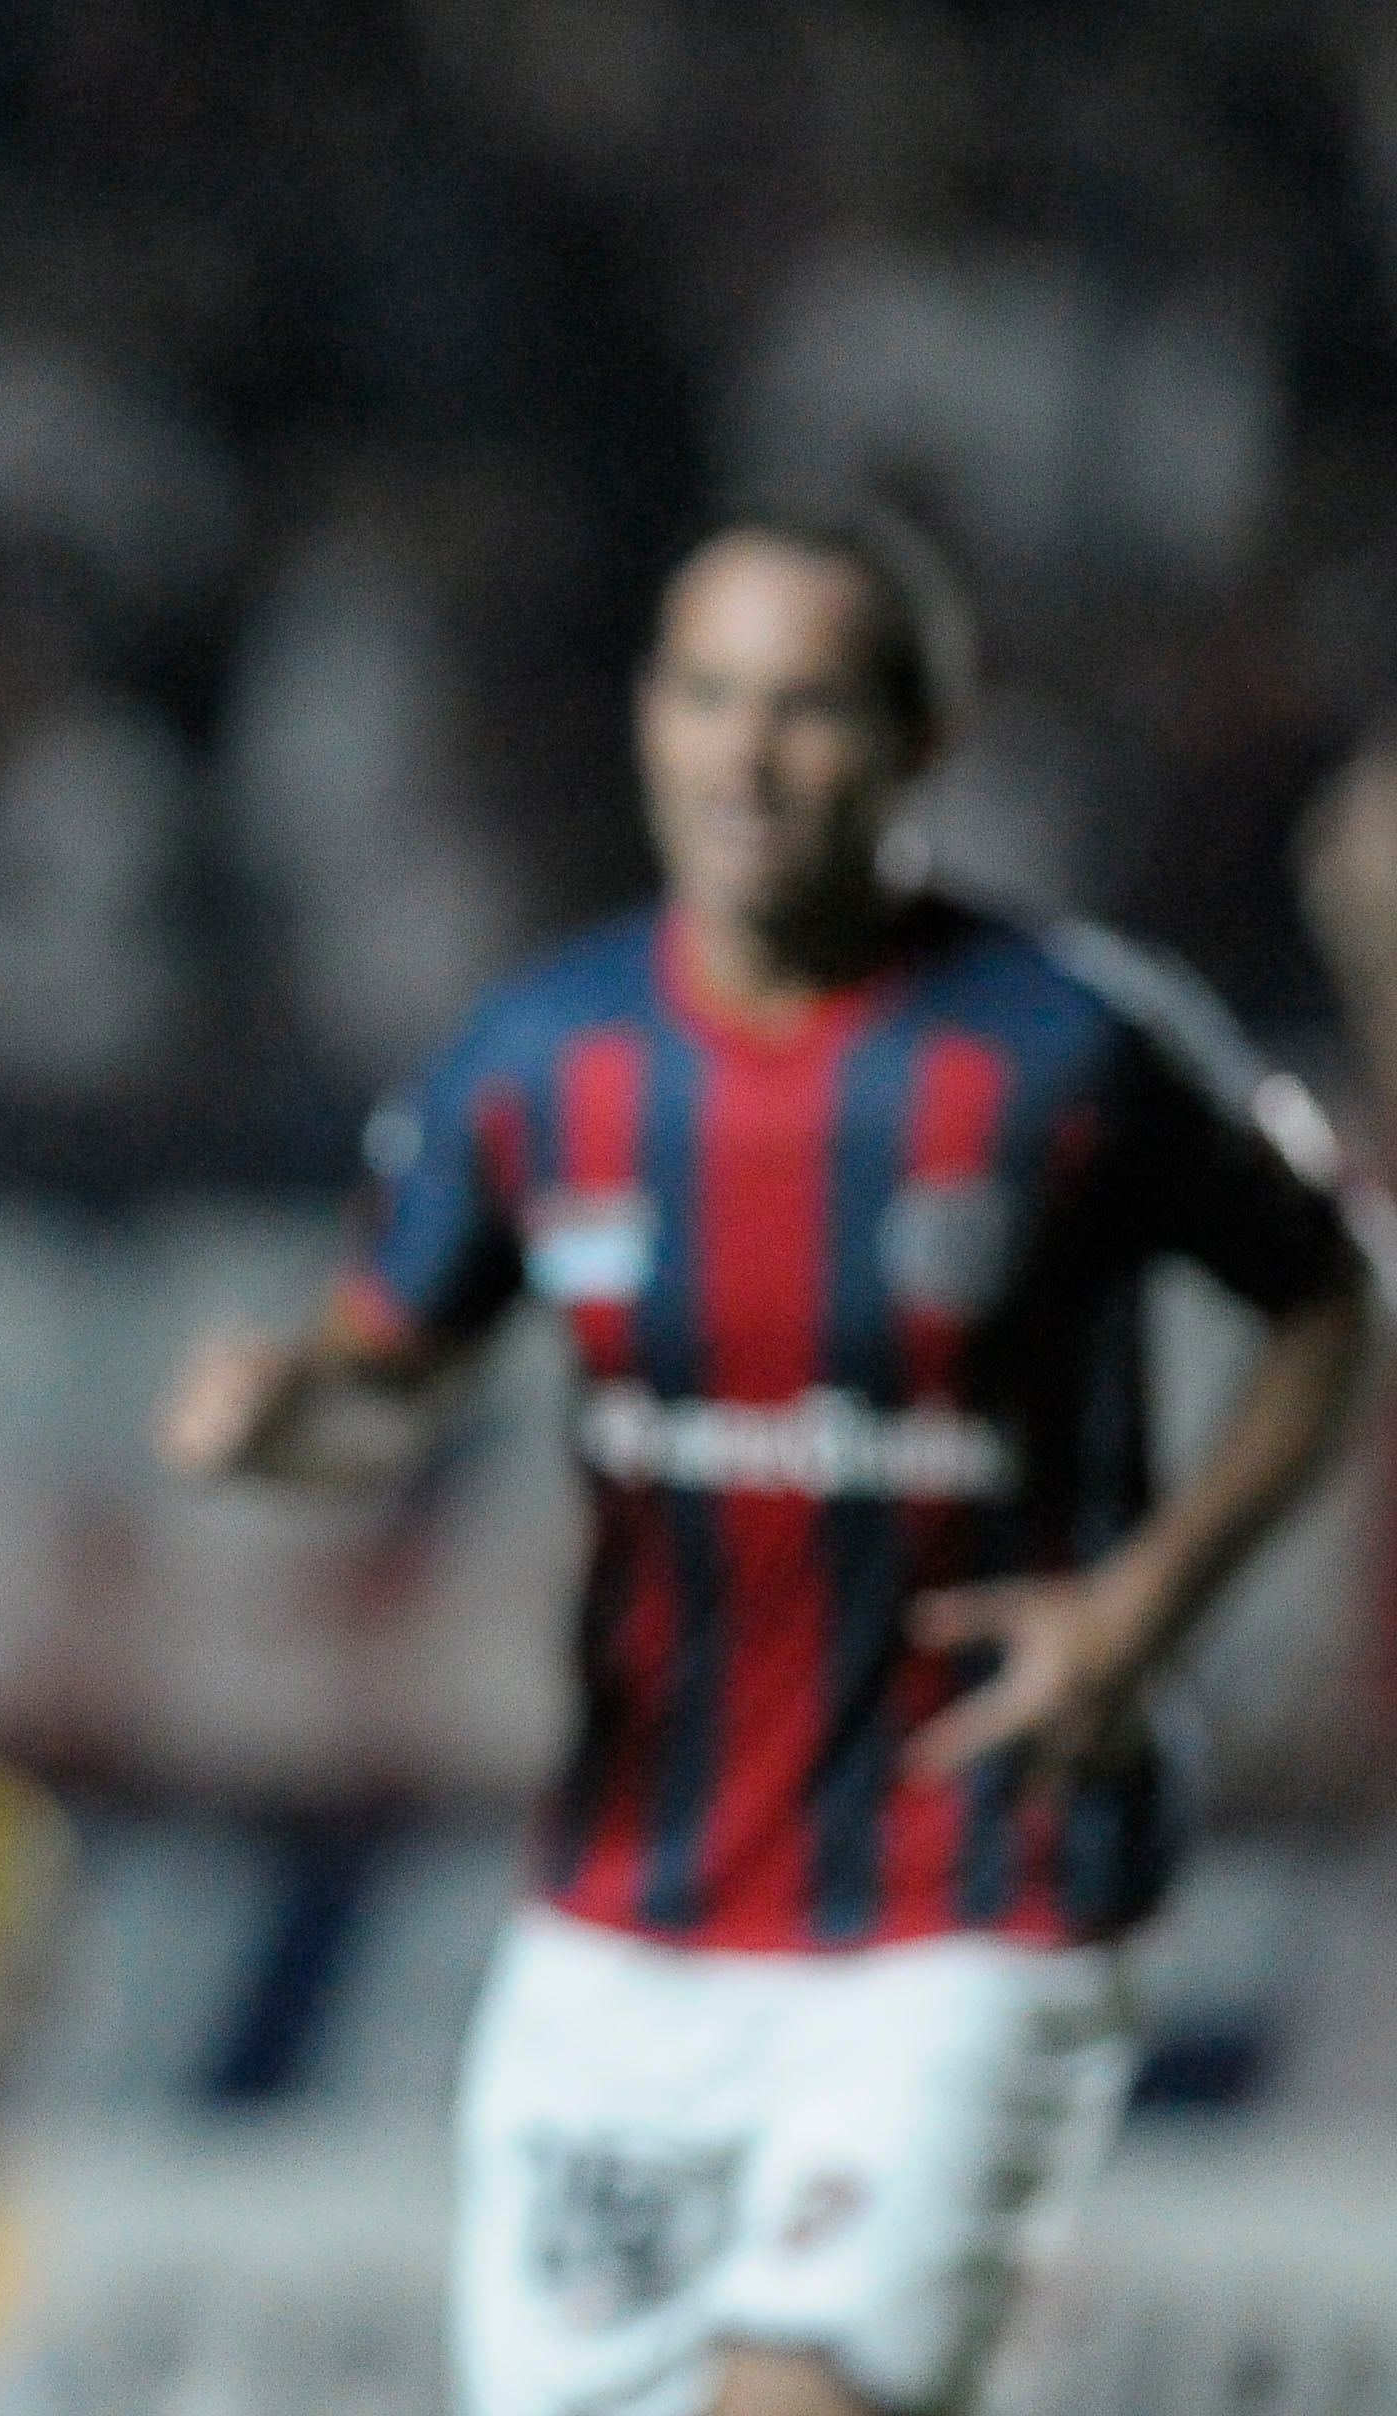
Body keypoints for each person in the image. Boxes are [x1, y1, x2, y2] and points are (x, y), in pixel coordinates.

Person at [159, 511, 1368, 2416]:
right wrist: (284, 1421)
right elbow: (392, 1387)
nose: (746, 755)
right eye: (710, 696)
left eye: (805, 708)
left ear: (920, 744)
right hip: (630, 1924)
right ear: (651, 719)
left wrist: (1145, 1612)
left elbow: (1327, 1307)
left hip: (977, 1887)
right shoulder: (541, 1060)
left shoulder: (1070, 1050)